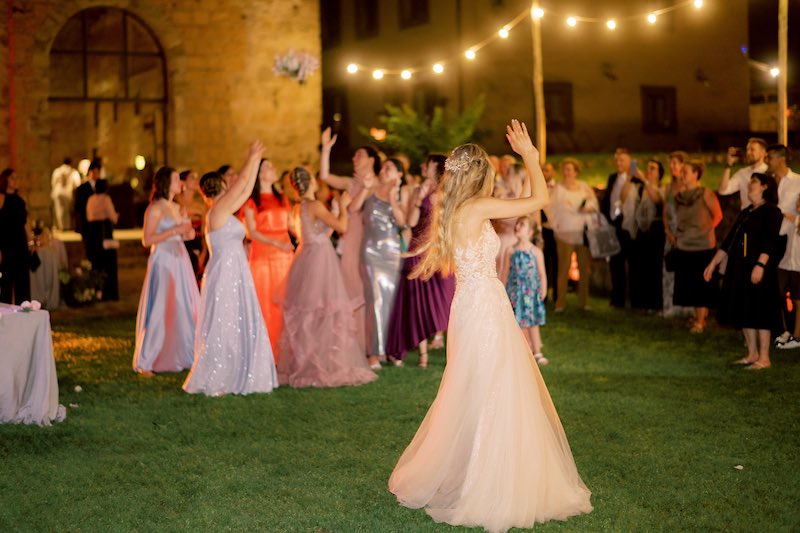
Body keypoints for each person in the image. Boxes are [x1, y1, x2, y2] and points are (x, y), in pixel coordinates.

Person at [388, 120, 592, 531]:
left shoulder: (454, 210)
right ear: (482, 176)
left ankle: (475, 473)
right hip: (483, 307)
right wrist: (530, 156)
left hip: (473, 305)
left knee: (479, 388)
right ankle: (489, 484)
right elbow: (539, 199)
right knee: (495, 388)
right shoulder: (476, 209)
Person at [183, 141, 278, 396]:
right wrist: (251, 158)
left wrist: (256, 161)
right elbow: (242, 186)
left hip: (234, 271)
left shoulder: (223, 209)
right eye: (227, 186)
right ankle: (219, 377)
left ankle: (239, 371)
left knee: (235, 320)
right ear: (221, 188)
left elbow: (245, 190)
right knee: (224, 323)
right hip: (226, 273)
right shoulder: (218, 210)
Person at [277, 167, 378, 388]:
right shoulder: (314, 205)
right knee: (325, 310)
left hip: (305, 258)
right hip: (319, 261)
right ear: (310, 182)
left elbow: (317, 233)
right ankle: (322, 365)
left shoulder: (297, 208)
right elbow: (342, 226)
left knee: (309, 313)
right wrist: (342, 207)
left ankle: (307, 362)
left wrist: (332, 212)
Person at [704, 173, 782, 370]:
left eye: (754, 181)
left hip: (758, 266)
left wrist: (760, 265)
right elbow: (729, 240)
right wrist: (713, 264)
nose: (750, 184)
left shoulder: (772, 212)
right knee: (745, 308)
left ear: (765, 186)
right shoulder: (746, 211)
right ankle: (752, 353)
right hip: (740, 267)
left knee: (760, 310)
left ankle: (764, 358)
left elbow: (770, 241)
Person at [385, 154, 455, 367]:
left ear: (438, 169)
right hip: (418, 252)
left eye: (430, 165)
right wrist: (419, 198)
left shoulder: (448, 192)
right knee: (419, 304)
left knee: (446, 302)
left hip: (439, 251)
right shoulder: (418, 191)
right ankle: (423, 354)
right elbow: (411, 222)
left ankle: (451, 349)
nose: (425, 167)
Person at [319, 128, 381, 355]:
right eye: (354, 156)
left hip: (370, 242)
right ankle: (353, 343)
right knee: (351, 290)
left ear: (371, 160)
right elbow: (325, 176)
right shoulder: (350, 183)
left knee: (368, 292)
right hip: (350, 240)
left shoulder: (378, 184)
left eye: (359, 155)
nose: (355, 159)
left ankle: (371, 344)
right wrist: (326, 149)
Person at [133, 167, 200, 375]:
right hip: (163, 260)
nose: (180, 183)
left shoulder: (177, 206)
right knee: (161, 308)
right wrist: (174, 230)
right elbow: (147, 239)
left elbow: (186, 234)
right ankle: (147, 360)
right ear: (165, 183)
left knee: (185, 306)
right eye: (175, 179)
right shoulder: (155, 208)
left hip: (180, 259)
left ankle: (187, 353)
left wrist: (187, 232)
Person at [352, 159, 405, 368]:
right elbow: (352, 207)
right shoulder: (371, 188)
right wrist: (364, 190)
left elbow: (403, 222)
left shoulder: (402, 193)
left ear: (398, 175)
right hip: (371, 252)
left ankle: (390, 349)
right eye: (383, 167)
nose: (383, 170)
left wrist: (393, 198)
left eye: (389, 168)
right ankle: (373, 353)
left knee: (392, 302)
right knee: (375, 300)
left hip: (392, 253)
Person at [242, 158, 295, 362]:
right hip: (264, 255)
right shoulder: (251, 201)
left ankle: (284, 352)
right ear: (259, 174)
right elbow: (251, 231)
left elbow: (291, 225)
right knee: (265, 301)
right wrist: (277, 243)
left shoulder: (283, 198)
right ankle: (265, 353)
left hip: (284, 255)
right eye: (268, 167)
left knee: (284, 303)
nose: (273, 169)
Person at [672, 161, 722, 333]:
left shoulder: (705, 194)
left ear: (696, 174)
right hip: (685, 244)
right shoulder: (679, 195)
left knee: (701, 285)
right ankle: (698, 317)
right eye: (681, 172)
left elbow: (718, 215)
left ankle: (700, 322)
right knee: (690, 283)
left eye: (685, 171)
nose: (682, 174)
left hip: (703, 246)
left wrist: (705, 230)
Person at [547, 158, 597, 312]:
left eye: (570, 169)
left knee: (583, 268)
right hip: (564, 232)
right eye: (565, 169)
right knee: (563, 268)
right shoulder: (558, 188)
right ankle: (560, 303)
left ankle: (584, 302)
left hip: (582, 232)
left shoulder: (583, 186)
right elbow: (549, 208)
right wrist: (556, 225)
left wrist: (586, 209)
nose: (567, 172)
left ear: (576, 172)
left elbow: (594, 203)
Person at [764, 144, 800, 348]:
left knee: (796, 293)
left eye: (769, 157)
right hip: (770, 242)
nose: (766, 160)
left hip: (792, 243)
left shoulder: (798, 182)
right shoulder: (766, 182)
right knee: (773, 291)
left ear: (780, 159)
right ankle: (782, 331)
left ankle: (797, 334)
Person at [501, 215, 548, 365]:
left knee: (532, 323)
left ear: (530, 232)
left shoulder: (536, 252)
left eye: (522, 225)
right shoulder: (510, 250)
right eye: (517, 224)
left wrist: (543, 291)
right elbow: (505, 272)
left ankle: (537, 351)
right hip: (514, 293)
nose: (517, 226)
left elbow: (542, 274)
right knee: (517, 322)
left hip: (531, 293)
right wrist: (501, 291)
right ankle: (524, 351)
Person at [600, 148, 642, 308]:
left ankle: (635, 300)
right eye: (617, 160)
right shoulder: (612, 178)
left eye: (622, 160)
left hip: (629, 226)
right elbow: (608, 199)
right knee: (615, 264)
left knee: (633, 264)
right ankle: (617, 299)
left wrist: (633, 171)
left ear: (629, 162)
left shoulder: (635, 179)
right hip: (613, 225)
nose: (618, 163)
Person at [626, 159, 666, 312]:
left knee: (654, 267)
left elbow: (657, 200)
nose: (649, 171)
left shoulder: (661, 188)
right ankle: (639, 302)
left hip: (656, 230)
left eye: (653, 168)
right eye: (647, 168)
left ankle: (654, 304)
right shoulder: (639, 188)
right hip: (641, 232)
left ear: (659, 173)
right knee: (640, 266)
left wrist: (644, 179)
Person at [662, 151, 691, 318]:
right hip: (671, 233)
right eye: (670, 163)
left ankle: (687, 306)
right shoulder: (668, 187)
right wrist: (667, 231)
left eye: (675, 163)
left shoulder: (690, 185)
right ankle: (670, 305)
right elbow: (665, 212)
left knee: (686, 270)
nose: (672, 167)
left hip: (686, 233)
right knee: (669, 269)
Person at [0, 168, 31, 304]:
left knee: (23, 278)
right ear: (5, 180)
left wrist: (30, 241)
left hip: (20, 241)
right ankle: (4, 312)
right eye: (13, 178)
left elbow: (26, 222)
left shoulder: (20, 199)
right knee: (7, 279)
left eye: (17, 178)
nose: (16, 180)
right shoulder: (1, 198)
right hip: (6, 242)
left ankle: (24, 309)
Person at [85, 178, 119, 301]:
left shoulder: (90, 199)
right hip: (104, 232)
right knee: (108, 264)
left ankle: (96, 291)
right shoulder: (105, 199)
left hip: (93, 233)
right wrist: (116, 217)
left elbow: (88, 216)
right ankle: (108, 293)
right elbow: (113, 216)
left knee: (96, 263)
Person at [492, 162, 525, 275]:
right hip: (503, 240)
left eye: (510, 174)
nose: (507, 176)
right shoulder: (501, 194)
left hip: (519, 241)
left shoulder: (525, 197)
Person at [717, 138, 769, 209]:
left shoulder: (769, 172)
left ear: (763, 152)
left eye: (752, 150)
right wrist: (729, 164)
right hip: (746, 217)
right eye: (747, 149)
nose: (748, 152)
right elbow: (722, 191)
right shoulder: (742, 173)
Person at [176, 169, 207, 281]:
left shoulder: (201, 206)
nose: (196, 181)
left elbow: (204, 232)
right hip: (179, 244)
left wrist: (203, 252)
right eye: (192, 178)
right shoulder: (176, 202)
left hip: (196, 246)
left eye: (196, 178)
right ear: (183, 182)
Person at [74, 158, 103, 255]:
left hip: (98, 223)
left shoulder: (101, 187)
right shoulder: (82, 188)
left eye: (98, 172)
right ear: (90, 172)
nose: (96, 174)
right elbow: (78, 207)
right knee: (88, 246)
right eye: (94, 172)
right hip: (86, 221)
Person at [50, 158, 80, 231]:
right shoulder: (73, 172)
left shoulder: (57, 171)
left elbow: (53, 183)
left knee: (59, 210)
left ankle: (61, 227)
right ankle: (67, 227)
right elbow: (77, 184)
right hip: (68, 193)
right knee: (67, 211)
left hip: (58, 192)